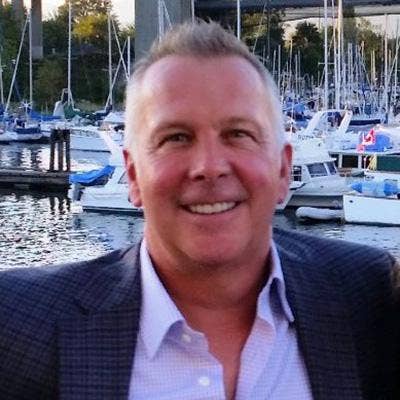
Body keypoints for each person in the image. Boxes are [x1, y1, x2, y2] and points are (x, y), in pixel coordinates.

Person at [0, 21, 399, 400]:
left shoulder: (366, 294)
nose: (209, 166)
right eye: (176, 137)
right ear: (133, 176)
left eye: (238, 134)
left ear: (283, 169)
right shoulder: (19, 326)